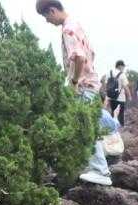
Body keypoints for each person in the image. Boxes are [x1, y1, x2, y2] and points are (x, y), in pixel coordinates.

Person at [34, 0, 111, 186]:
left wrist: (74, 82)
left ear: (52, 10)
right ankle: (96, 166)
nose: (47, 21)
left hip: (83, 86)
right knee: (90, 125)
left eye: (46, 16)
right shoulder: (76, 25)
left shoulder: (68, 29)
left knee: (86, 126)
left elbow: (79, 58)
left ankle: (100, 170)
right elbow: (90, 54)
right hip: (92, 83)